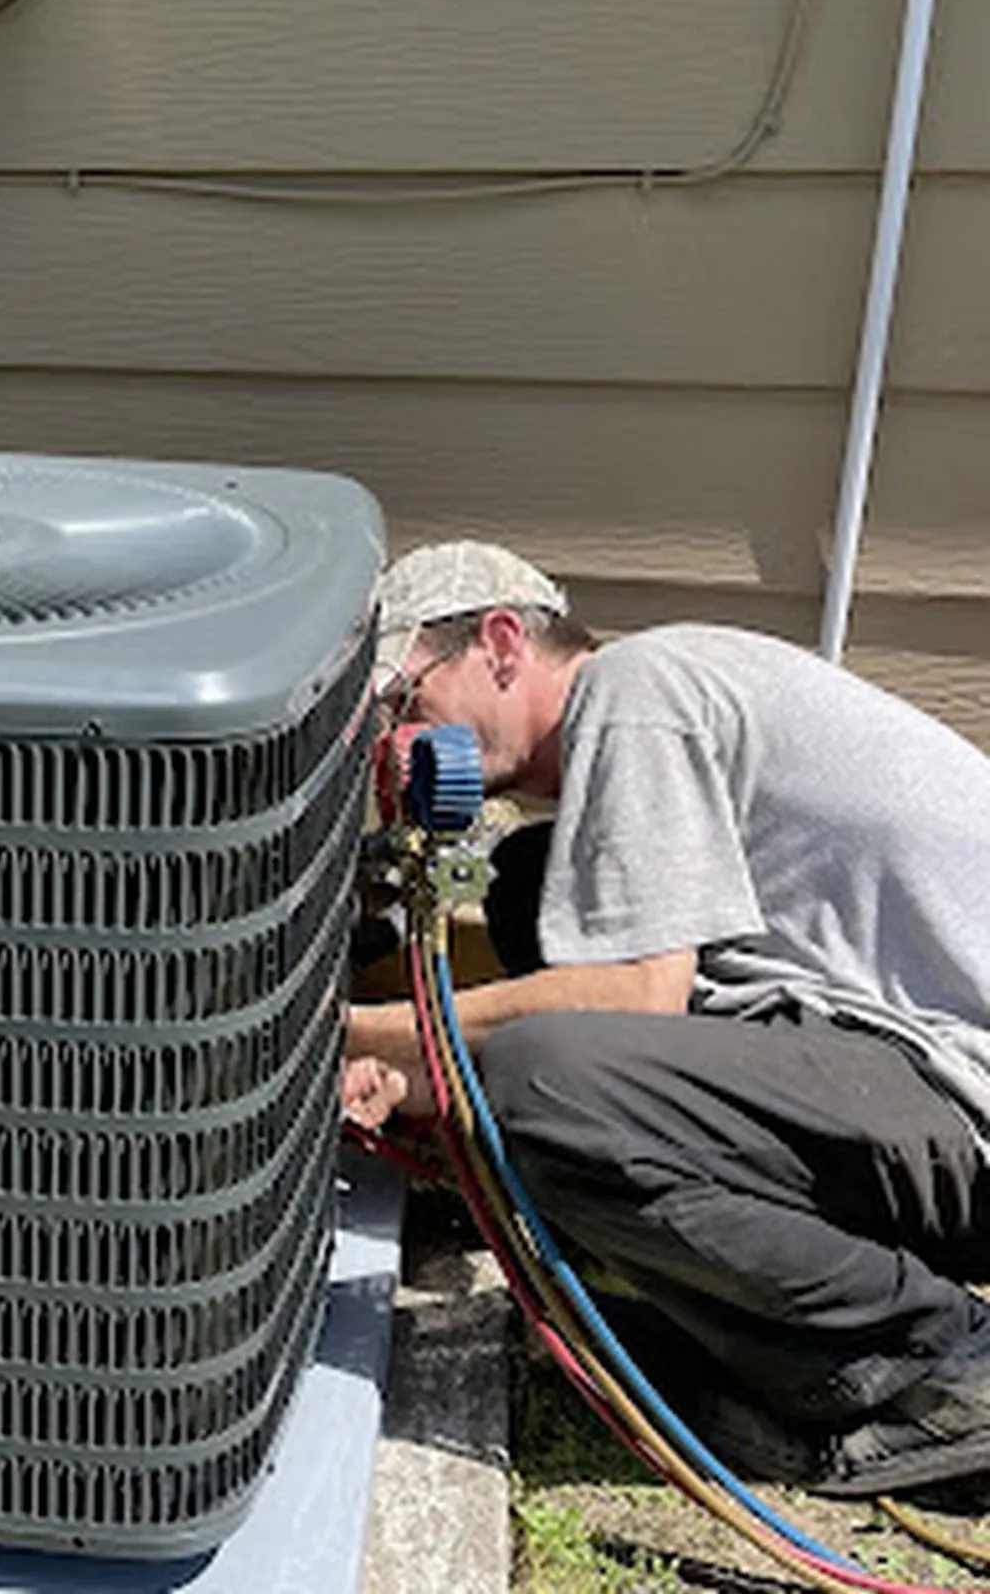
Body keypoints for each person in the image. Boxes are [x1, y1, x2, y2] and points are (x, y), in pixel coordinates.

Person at [344, 540, 990, 1495]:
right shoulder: (656, 712)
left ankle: (939, 1370)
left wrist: (348, 1036)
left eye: (404, 702)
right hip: (900, 1071)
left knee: (540, 1082)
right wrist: (431, 1080)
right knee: (532, 890)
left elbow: (630, 998)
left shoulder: (637, 689)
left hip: (961, 1095)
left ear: (501, 643)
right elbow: (662, 1008)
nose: (396, 745)